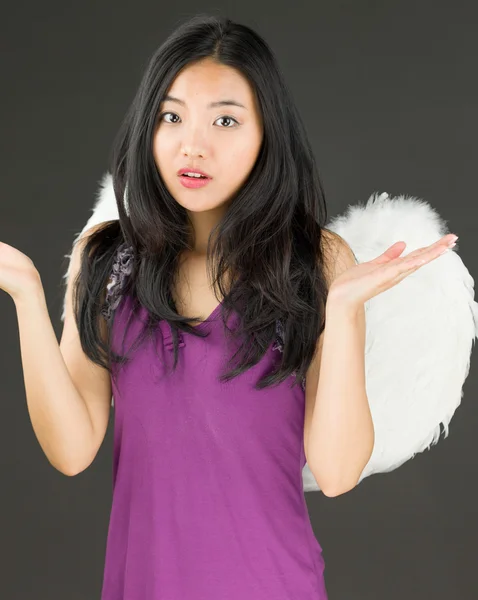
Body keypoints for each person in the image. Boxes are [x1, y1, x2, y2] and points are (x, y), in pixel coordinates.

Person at [0, 14, 468, 600]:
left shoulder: (316, 261)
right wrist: (21, 290)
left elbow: (339, 471)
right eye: (172, 116)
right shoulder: (108, 262)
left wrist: (343, 310)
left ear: (266, 133)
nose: (192, 144)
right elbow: (71, 451)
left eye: (225, 120)